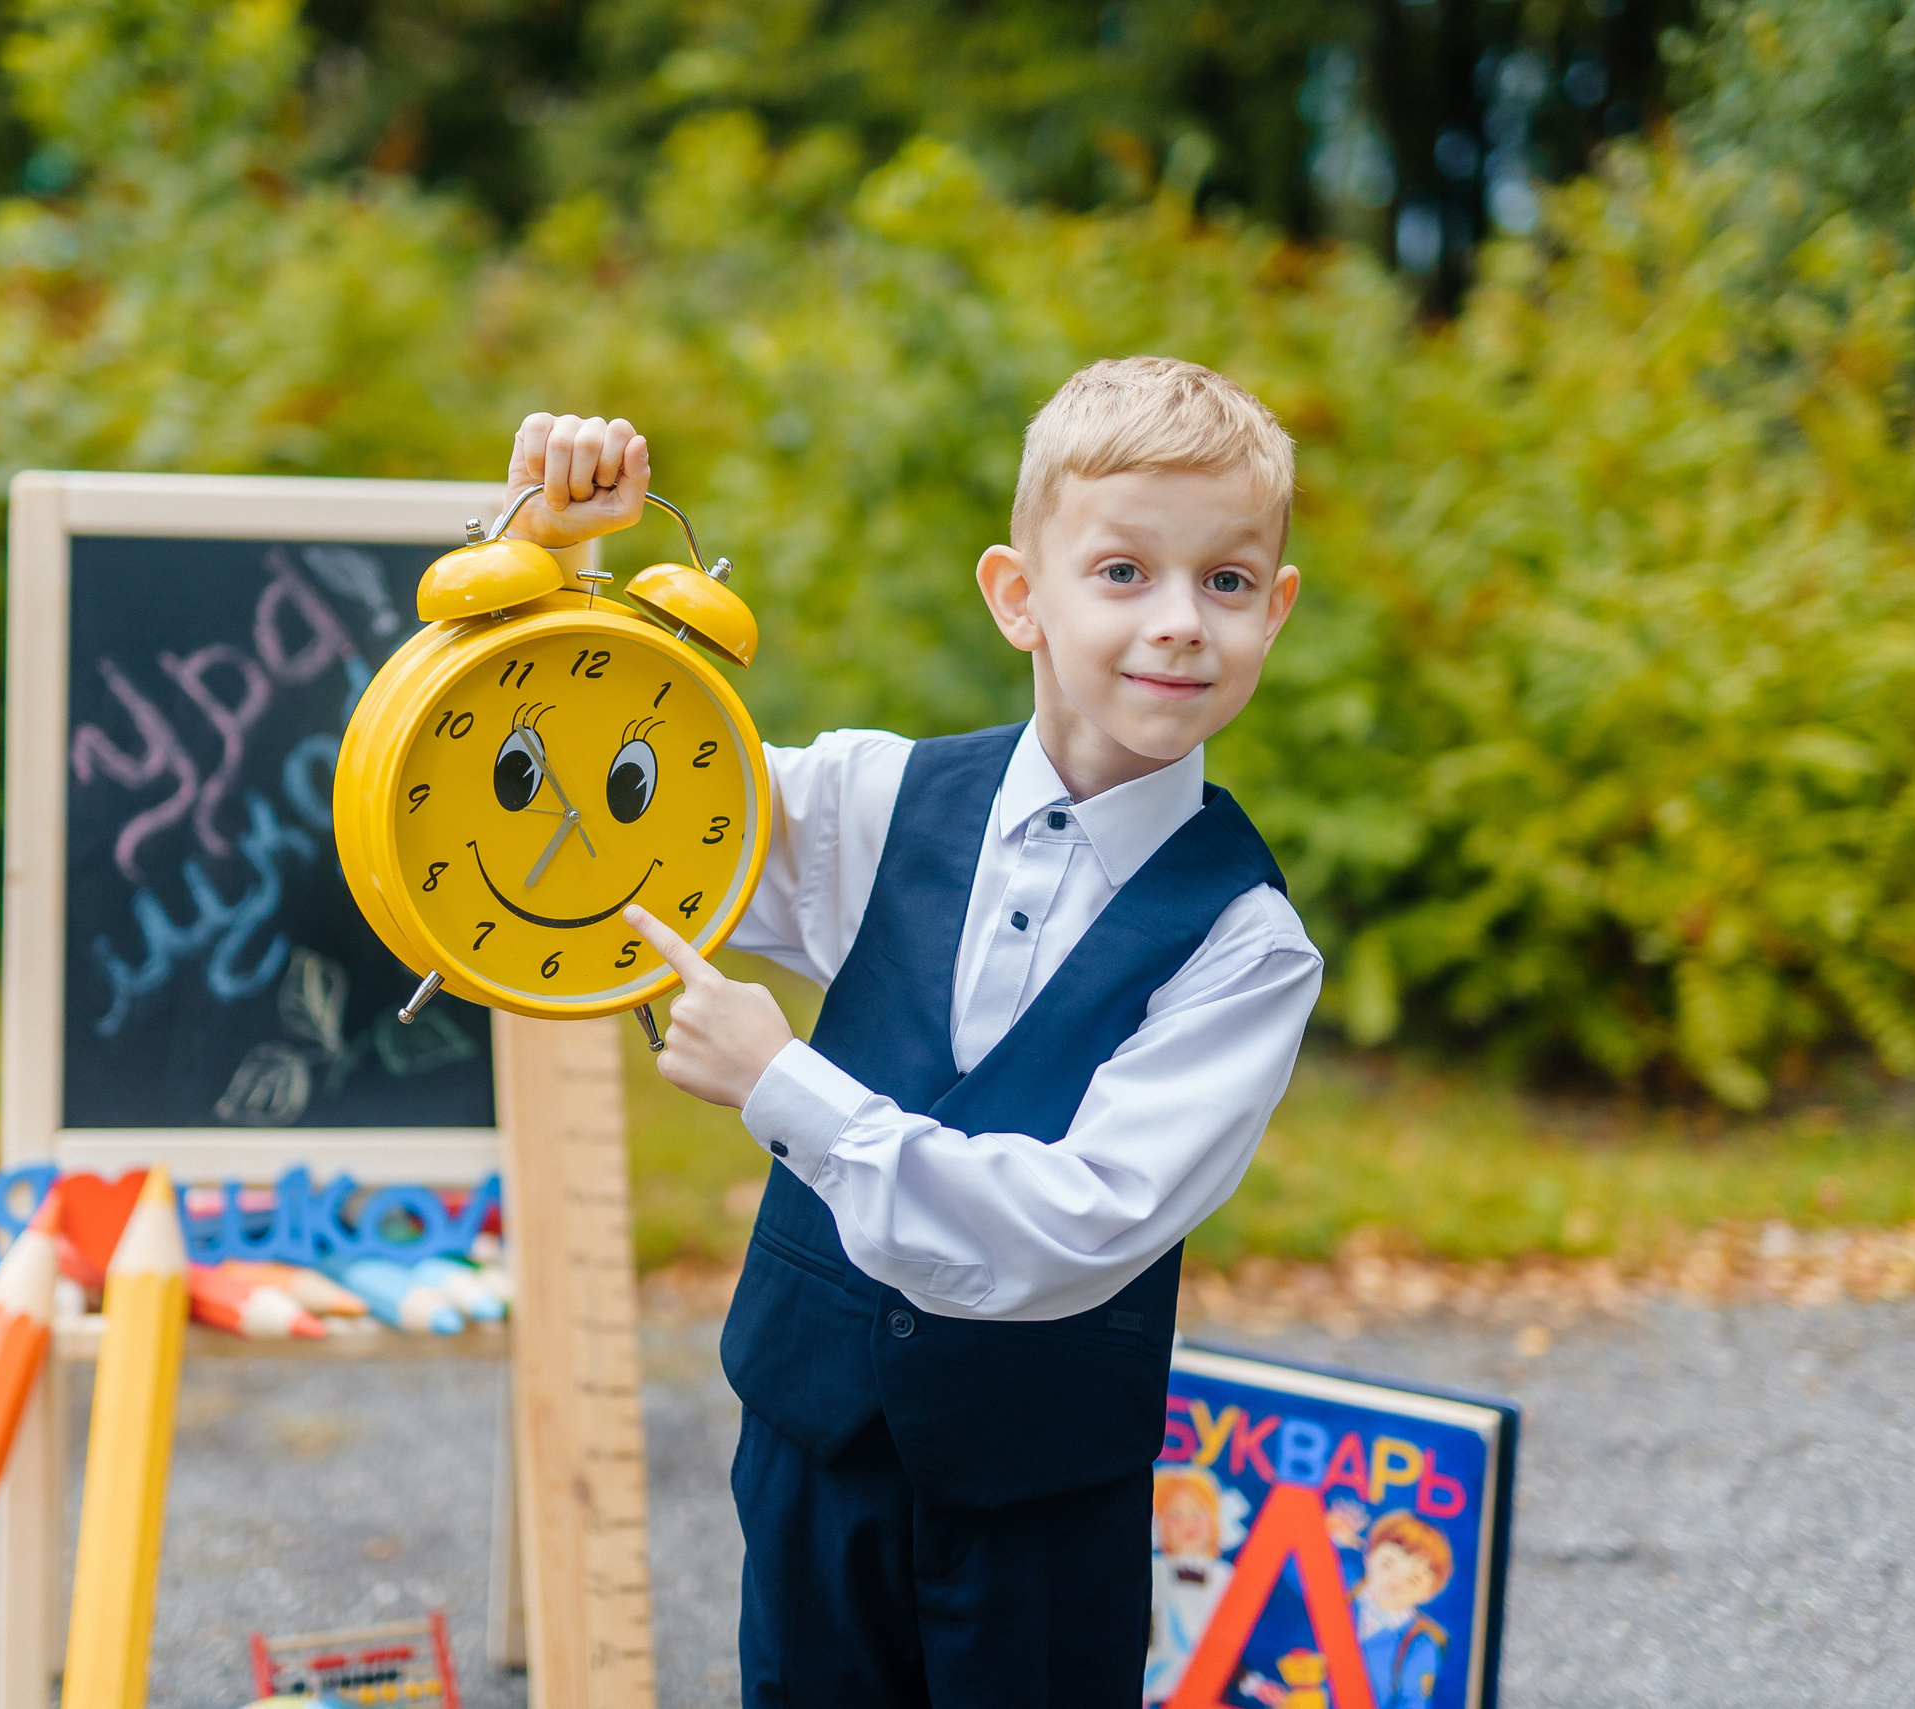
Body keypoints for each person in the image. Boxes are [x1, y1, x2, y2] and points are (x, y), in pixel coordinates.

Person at [503, 356, 1322, 1709]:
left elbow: (1075, 1224)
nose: (1179, 622)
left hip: (1040, 1503)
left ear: (1274, 611)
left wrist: (784, 1084)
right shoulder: (870, 797)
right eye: (1123, 571)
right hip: (812, 1446)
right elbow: (572, 802)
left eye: (1225, 581)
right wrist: (551, 556)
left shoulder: (1246, 944)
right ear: (1019, 595)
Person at [1325, 1503, 1453, 1709]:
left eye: (1413, 1580)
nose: (1395, 1581)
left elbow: (1411, 1703)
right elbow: (1292, 1565)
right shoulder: (1342, 1586)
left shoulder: (1419, 1642)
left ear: (1429, 1593)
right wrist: (1325, 1533)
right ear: (1368, 1555)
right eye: (1387, 1564)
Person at [1145, 1466, 1236, 1702]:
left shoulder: (1225, 1577)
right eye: (1175, 1515)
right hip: (1158, 1690)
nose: (1188, 1523)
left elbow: (1229, 1644)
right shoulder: (1153, 1571)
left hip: (1210, 1692)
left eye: (1198, 1513)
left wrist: (1253, 1684)